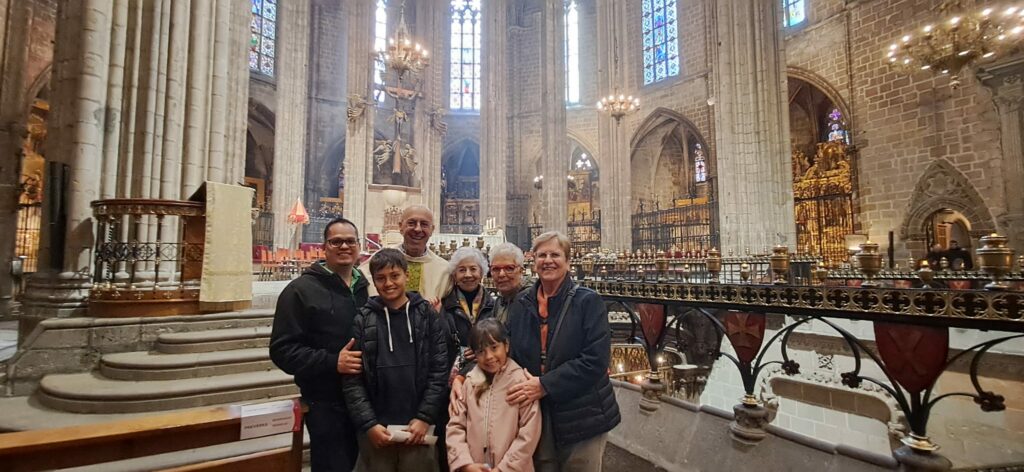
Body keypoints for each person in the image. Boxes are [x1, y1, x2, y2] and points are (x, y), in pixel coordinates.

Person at [507, 231, 620, 472]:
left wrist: (544, 385)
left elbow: (595, 361)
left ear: (568, 262)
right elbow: (512, 352)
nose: (548, 260)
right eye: (542, 255)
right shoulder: (522, 302)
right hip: (537, 412)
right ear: (533, 261)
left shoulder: (588, 301)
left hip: (582, 415)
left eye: (555, 255)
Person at [269, 217, 368, 472]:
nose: (344, 246)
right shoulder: (299, 290)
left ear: (359, 246)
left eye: (350, 241)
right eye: (336, 242)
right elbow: (282, 350)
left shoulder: (366, 287)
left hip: (367, 401)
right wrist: (333, 361)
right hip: (326, 403)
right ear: (324, 247)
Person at [343, 248, 450, 472]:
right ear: (373, 281)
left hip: (418, 429)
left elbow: (439, 371)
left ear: (406, 275)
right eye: (381, 278)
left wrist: (424, 417)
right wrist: (369, 424)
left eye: (394, 276)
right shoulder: (363, 319)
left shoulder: (427, 315)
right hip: (377, 430)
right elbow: (353, 379)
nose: (388, 283)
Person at [447, 318, 542, 472]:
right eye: (481, 351)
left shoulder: (521, 382)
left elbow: (529, 433)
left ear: (506, 345)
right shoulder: (469, 383)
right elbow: (455, 426)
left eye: (494, 347)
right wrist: (465, 464)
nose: (489, 356)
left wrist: (505, 468)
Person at [363, 205, 451, 302]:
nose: (418, 229)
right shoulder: (378, 260)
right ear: (401, 227)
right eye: (411, 223)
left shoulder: (444, 270)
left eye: (424, 224)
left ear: (432, 230)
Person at [487, 243, 529, 326]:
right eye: (496, 269)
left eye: (509, 268)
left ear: (521, 271)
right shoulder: (499, 302)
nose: (501, 274)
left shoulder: (530, 301)